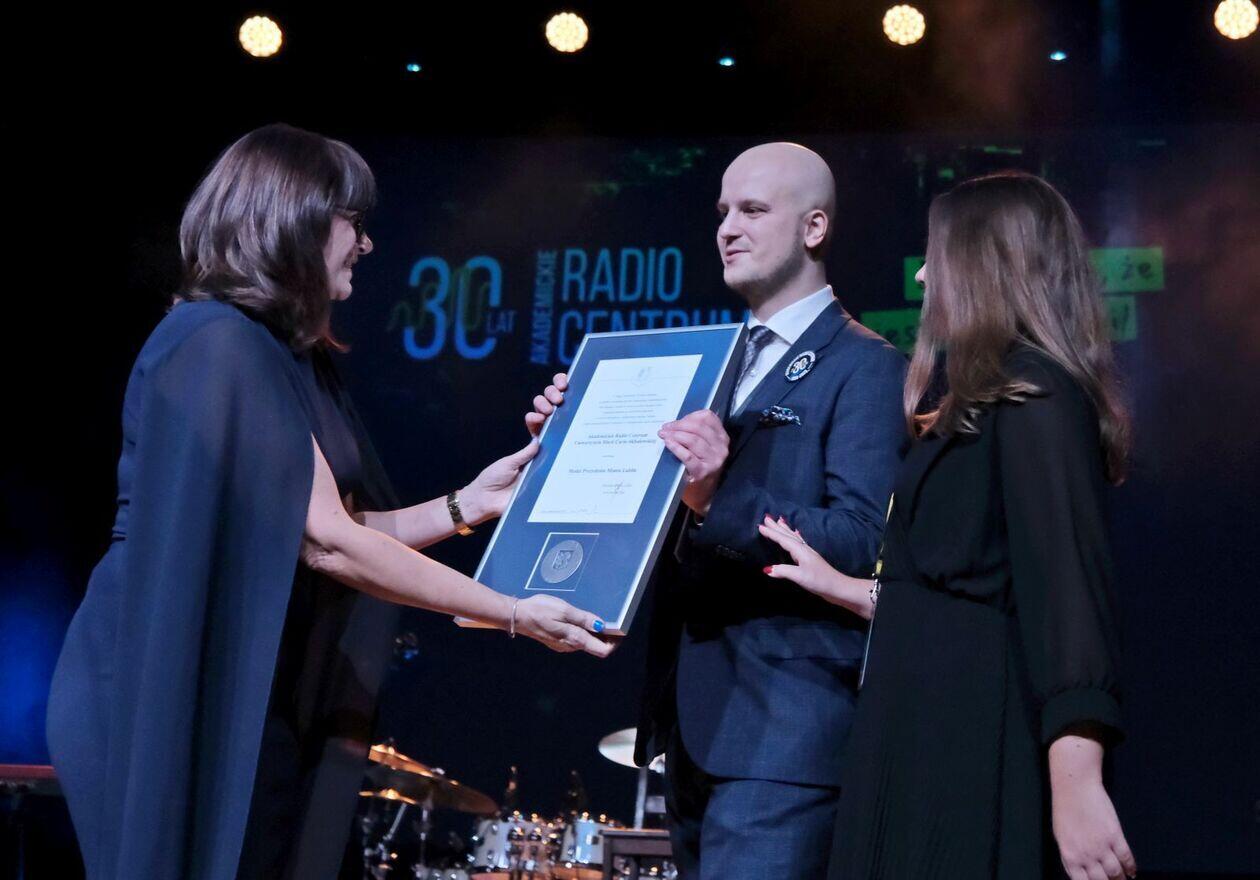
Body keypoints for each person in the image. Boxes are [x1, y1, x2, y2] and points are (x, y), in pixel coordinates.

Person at [45, 123, 611, 880]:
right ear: (295, 221)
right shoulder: (216, 341)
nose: (366, 244)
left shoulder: (283, 356)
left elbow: (324, 528)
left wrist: (467, 505)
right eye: (354, 222)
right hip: (162, 671)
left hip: (241, 675)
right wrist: (510, 609)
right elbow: (327, 542)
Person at [529, 142, 906, 878]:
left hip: (786, 734)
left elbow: (862, 541)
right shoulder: (710, 362)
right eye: (723, 211)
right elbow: (658, 514)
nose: (728, 228)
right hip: (694, 727)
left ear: (815, 228)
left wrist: (717, 496)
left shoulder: (866, 364)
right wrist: (567, 444)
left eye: (753, 210)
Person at [756, 171, 1137, 880]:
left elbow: (1067, 596)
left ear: (987, 267)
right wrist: (844, 587)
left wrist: (1077, 782)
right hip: (917, 729)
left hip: (968, 743)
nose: (924, 275)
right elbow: (961, 585)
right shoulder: (982, 403)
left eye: (938, 257)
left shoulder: (1037, 394)